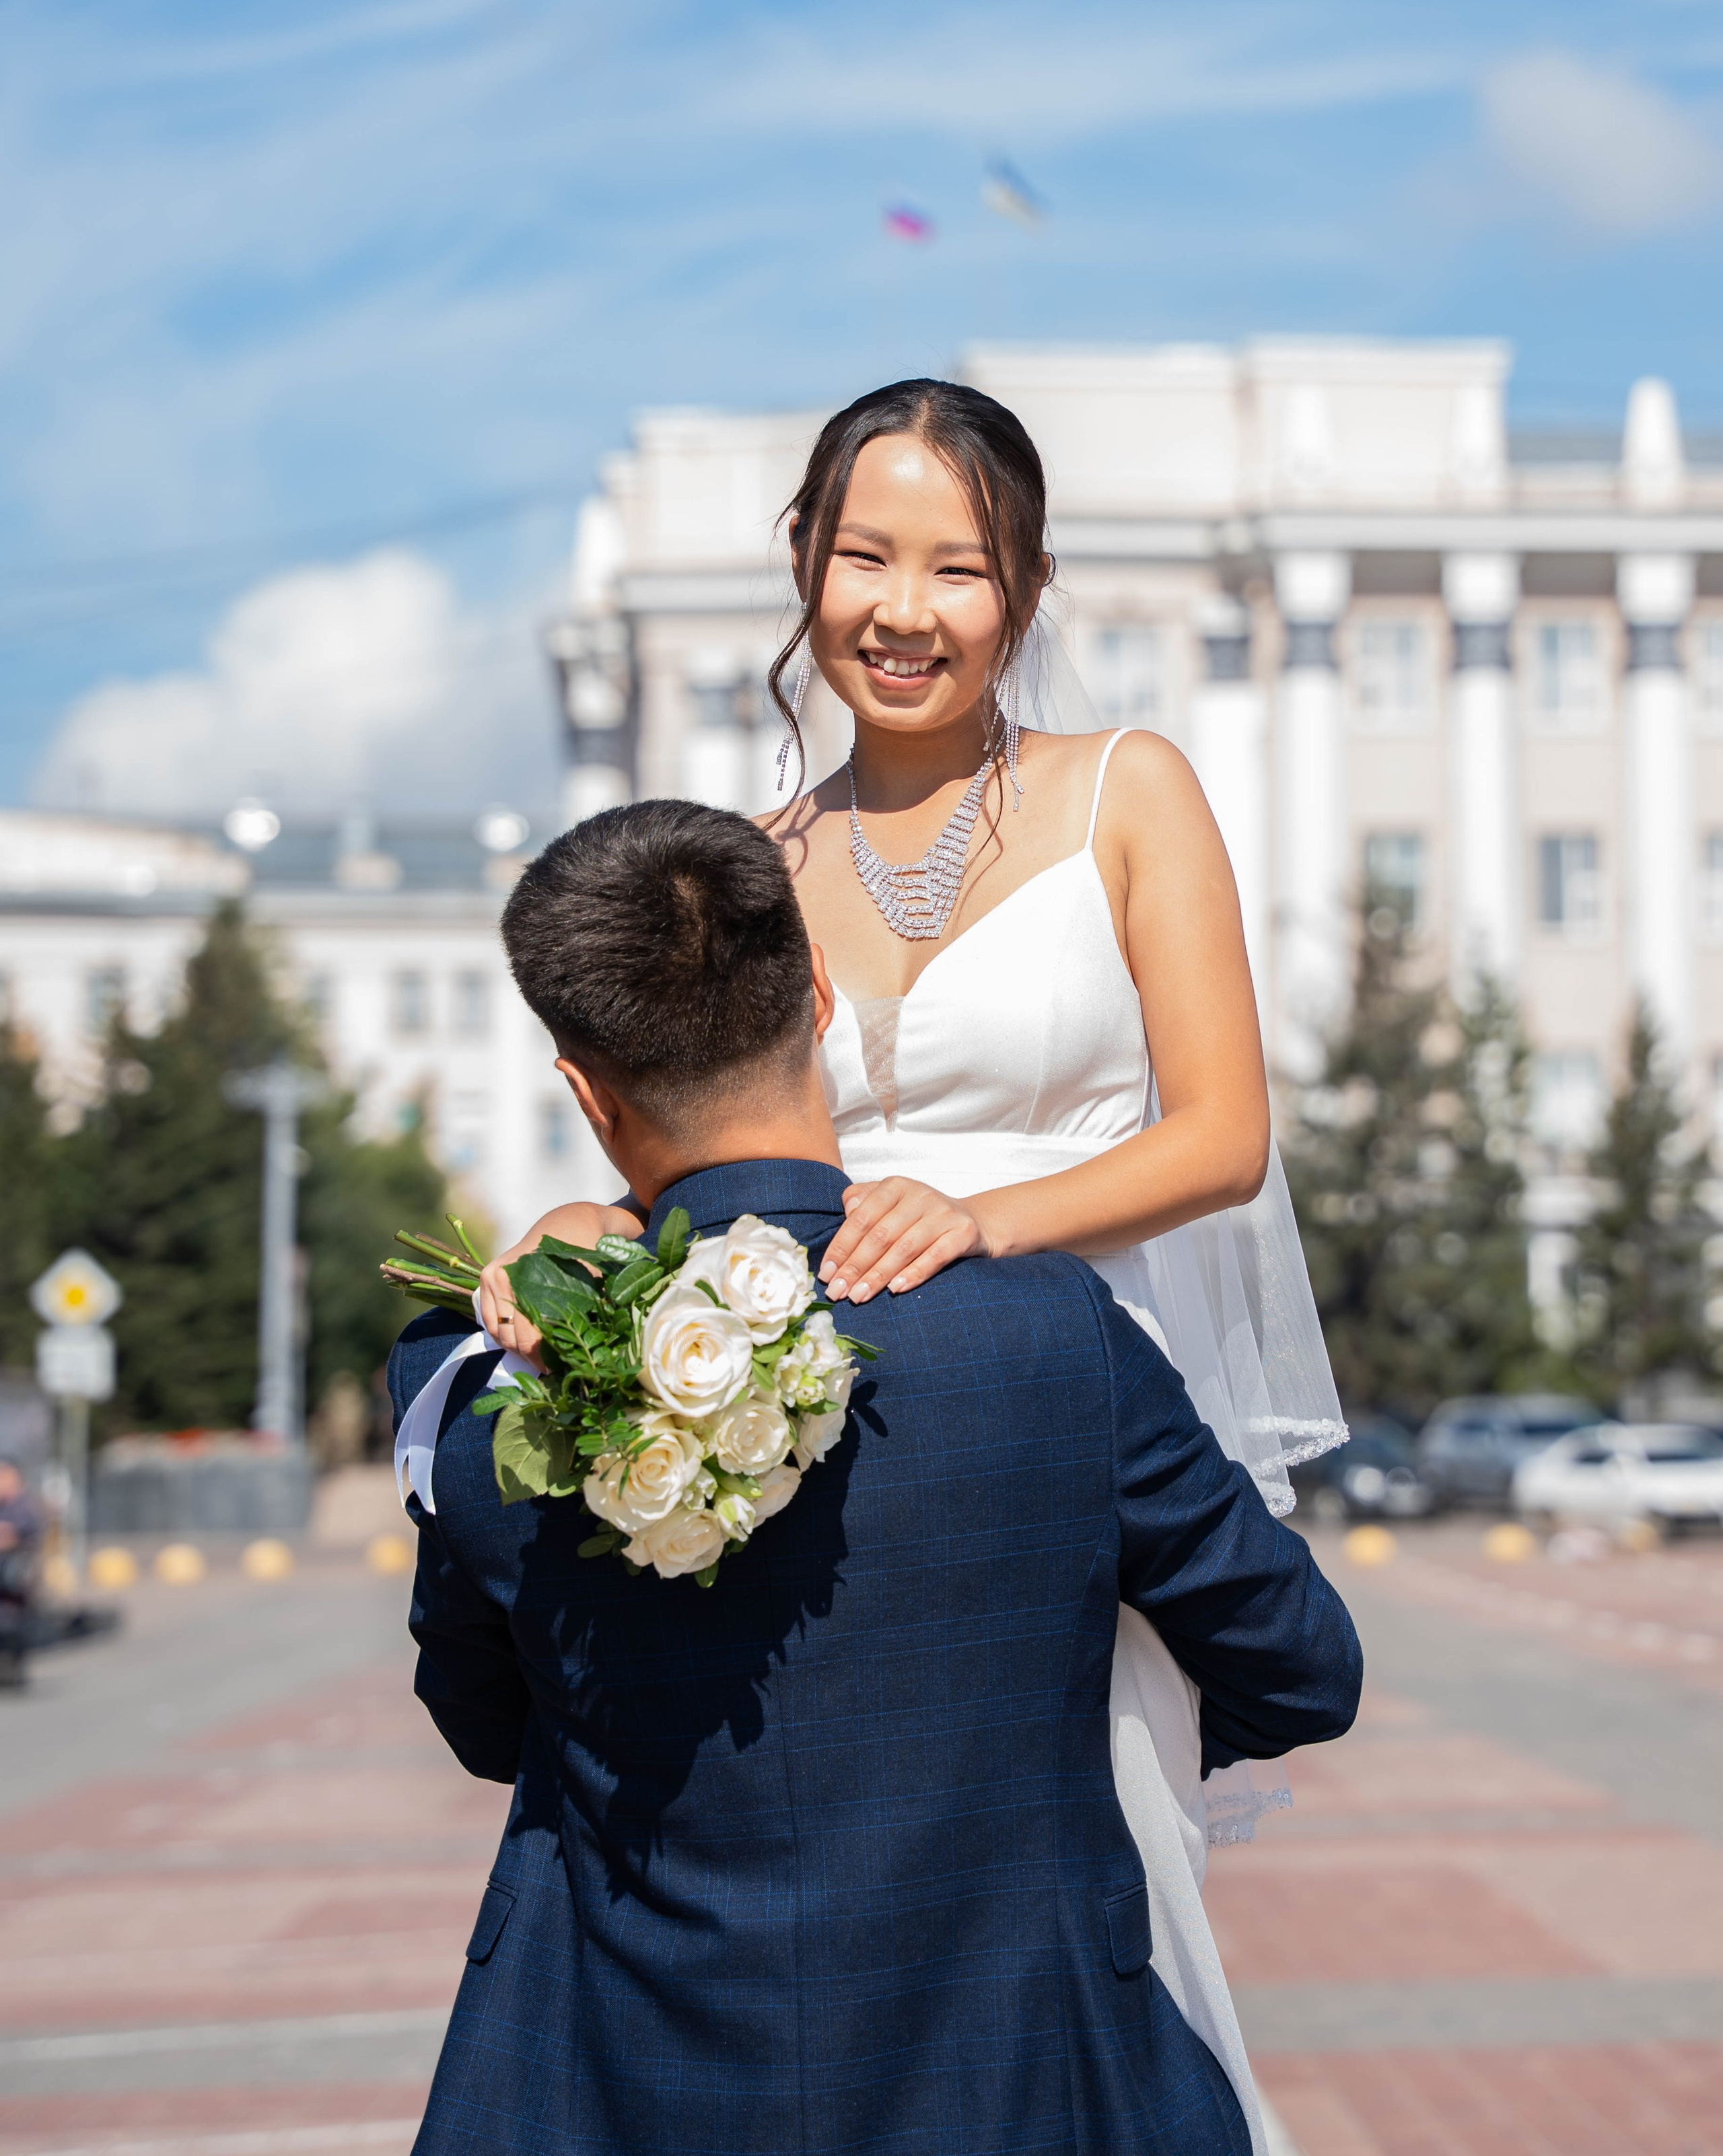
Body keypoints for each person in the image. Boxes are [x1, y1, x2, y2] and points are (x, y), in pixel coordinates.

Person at [395, 798, 1361, 2155]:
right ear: (822, 995)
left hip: (614, 2092)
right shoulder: (1046, 1338)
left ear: (583, 1094)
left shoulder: (493, 1396)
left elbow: (487, 1724)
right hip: (1026, 2077)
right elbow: (1302, 1669)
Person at [485, 380, 1343, 1875]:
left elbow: (1222, 1139)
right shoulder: (745, 864)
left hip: (1081, 1402)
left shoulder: (1126, 793)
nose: (904, 610)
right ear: (804, 558)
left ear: (1027, 591)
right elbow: (725, 1147)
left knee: (1095, 1860)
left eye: (959, 567)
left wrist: (983, 1219)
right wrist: (596, 1230)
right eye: (863, 556)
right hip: (845, 1421)